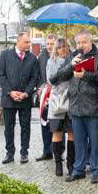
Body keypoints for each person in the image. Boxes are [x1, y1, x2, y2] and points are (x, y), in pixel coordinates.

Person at [54, 30, 98, 183]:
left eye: (84, 42)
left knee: (96, 141)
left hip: (94, 106)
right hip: (76, 106)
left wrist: (84, 74)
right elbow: (60, 76)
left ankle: (96, 170)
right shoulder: (73, 56)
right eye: (78, 43)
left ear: (91, 41)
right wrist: (70, 66)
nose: (81, 46)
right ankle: (78, 170)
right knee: (78, 141)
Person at [0, 32, 39, 164]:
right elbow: (0, 75)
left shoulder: (32, 58)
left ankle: (24, 153)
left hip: (25, 99)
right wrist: (10, 92)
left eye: (29, 42)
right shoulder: (5, 55)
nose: (29, 44)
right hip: (9, 99)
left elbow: (34, 78)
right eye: (26, 42)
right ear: (18, 42)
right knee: (9, 127)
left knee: (25, 126)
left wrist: (26, 93)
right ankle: (9, 153)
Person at [46, 37, 75, 176]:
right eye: (59, 47)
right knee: (56, 132)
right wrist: (67, 67)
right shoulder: (51, 62)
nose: (62, 49)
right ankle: (58, 163)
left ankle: (71, 164)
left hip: (72, 101)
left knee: (72, 133)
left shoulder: (74, 59)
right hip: (57, 101)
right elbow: (51, 79)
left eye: (65, 46)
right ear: (55, 49)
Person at [36, 33, 57, 162]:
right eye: (47, 44)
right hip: (44, 95)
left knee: (57, 125)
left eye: (51, 44)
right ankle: (46, 151)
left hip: (57, 95)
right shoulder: (41, 56)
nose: (49, 46)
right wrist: (39, 88)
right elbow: (38, 75)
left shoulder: (60, 55)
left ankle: (58, 152)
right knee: (45, 124)